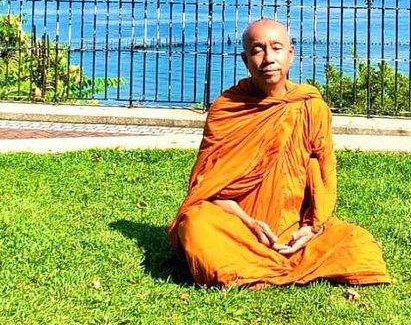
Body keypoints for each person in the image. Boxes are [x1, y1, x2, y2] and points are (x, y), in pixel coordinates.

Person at [167, 19, 390, 288]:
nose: (269, 58)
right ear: (245, 59)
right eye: (258, 50)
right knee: (196, 227)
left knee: (359, 244)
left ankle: (259, 267)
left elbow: (324, 173)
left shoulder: (310, 106)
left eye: (276, 48)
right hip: (238, 226)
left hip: (294, 228)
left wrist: (312, 227)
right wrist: (249, 223)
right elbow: (208, 189)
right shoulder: (227, 108)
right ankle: (275, 265)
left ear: (291, 54)